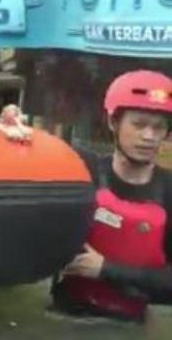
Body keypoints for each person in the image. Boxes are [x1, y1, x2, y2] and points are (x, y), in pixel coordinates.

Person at [51, 70, 172, 322]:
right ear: (113, 122)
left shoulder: (169, 191)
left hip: (129, 330)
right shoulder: (81, 168)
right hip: (65, 321)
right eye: (138, 124)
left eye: (158, 127)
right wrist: (12, 129)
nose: (149, 136)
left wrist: (106, 269)